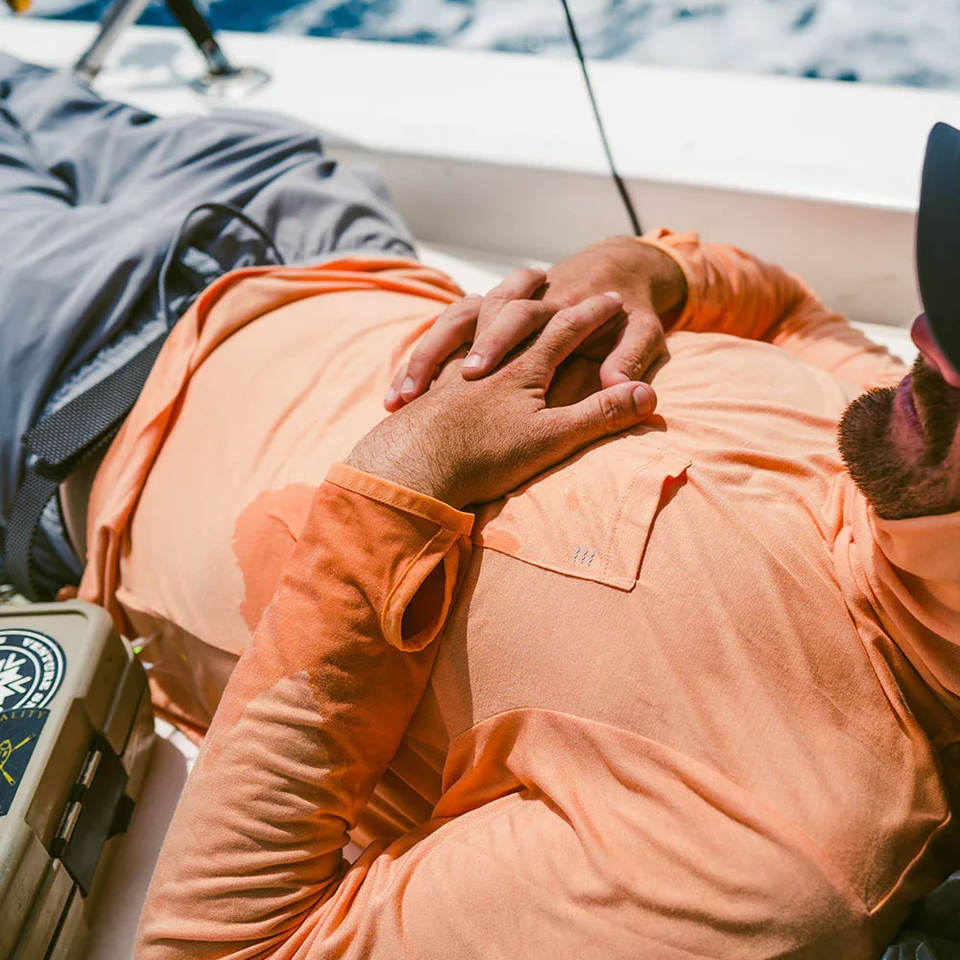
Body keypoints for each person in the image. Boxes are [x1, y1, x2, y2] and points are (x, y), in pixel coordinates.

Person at [63, 188, 954, 955]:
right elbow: (790, 309)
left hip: (72, 405)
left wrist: (411, 475)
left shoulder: (765, 860)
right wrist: (640, 269)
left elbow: (225, 948)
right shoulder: (899, 432)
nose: (926, 337)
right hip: (309, 228)